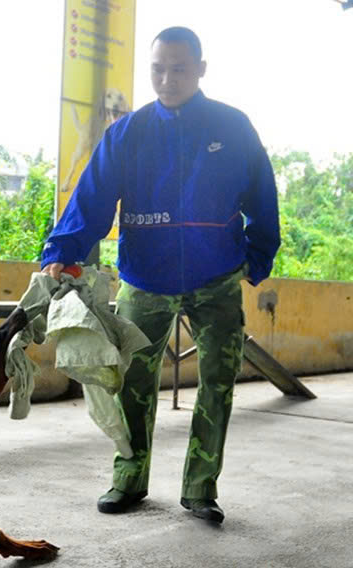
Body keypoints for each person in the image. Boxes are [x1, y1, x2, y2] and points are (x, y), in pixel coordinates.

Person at [41, 26, 280, 524]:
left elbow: (261, 197)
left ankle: (200, 487)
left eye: (178, 68)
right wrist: (62, 251)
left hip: (215, 278)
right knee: (129, 380)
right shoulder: (128, 133)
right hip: (144, 278)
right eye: (157, 68)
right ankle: (129, 477)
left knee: (217, 381)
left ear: (200, 69)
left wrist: (256, 258)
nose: (167, 78)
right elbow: (93, 197)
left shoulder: (233, 127)